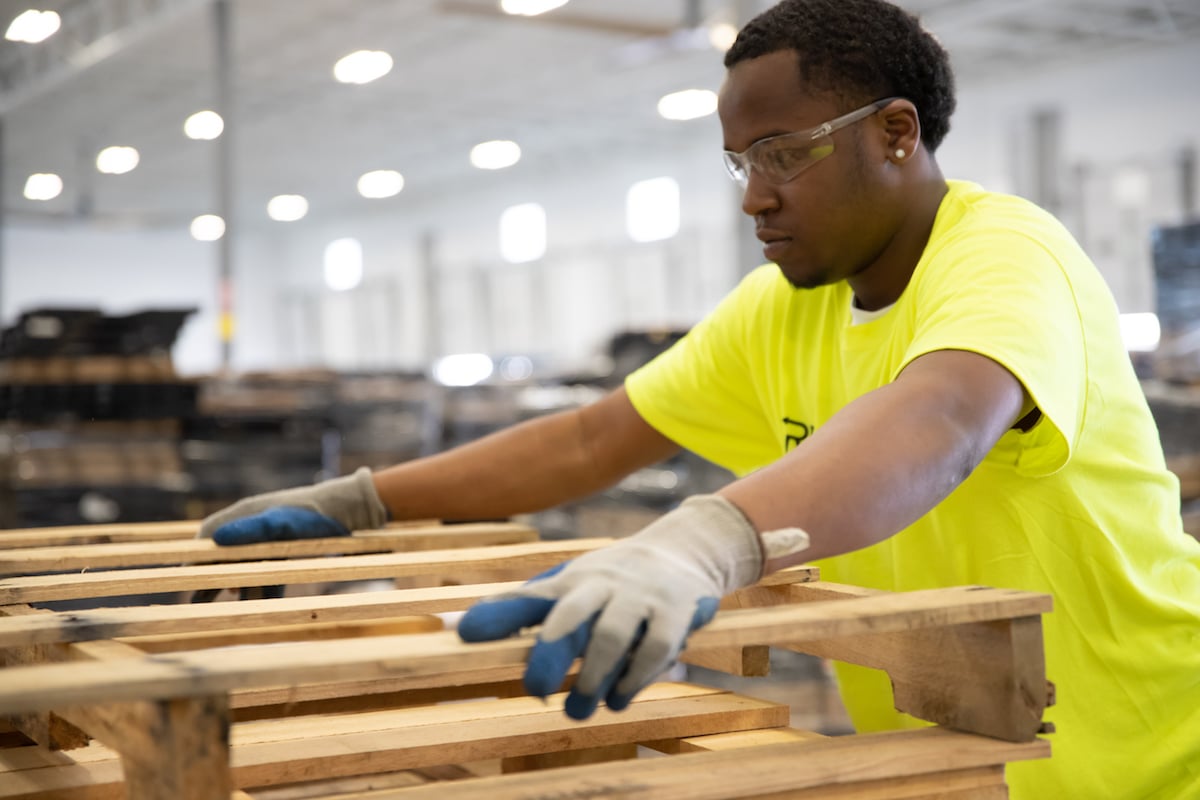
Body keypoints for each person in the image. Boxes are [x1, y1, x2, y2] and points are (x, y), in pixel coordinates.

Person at [200, 1, 1200, 796]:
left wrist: (701, 542)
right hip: (958, 764)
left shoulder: (1003, 251)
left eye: (780, 152)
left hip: (1153, 755)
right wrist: (364, 500)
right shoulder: (782, 309)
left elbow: (935, 420)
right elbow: (594, 436)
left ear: (897, 132)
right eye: (739, 160)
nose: (752, 196)